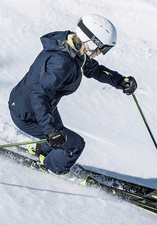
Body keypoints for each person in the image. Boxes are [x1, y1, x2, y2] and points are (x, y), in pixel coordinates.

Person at [8, 14, 137, 175]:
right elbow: (39, 95)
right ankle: (53, 168)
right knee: (75, 145)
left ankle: (43, 151)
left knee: (60, 134)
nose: (101, 53)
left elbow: (94, 69)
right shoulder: (62, 63)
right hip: (28, 113)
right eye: (102, 48)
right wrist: (50, 131)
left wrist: (120, 81)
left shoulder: (72, 47)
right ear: (91, 41)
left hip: (33, 103)